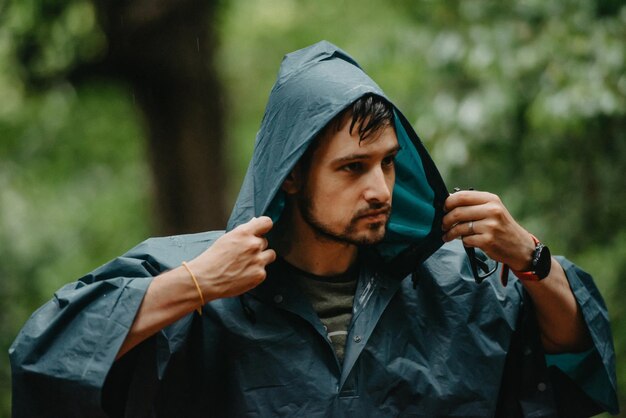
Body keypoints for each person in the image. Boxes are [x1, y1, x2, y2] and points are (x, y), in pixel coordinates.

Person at [10, 41, 618, 417]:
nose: (380, 188)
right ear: (293, 176)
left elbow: (570, 360)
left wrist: (531, 260)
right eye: (352, 169)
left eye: (387, 162)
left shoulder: (454, 276)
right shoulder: (200, 276)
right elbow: (48, 357)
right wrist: (195, 285)